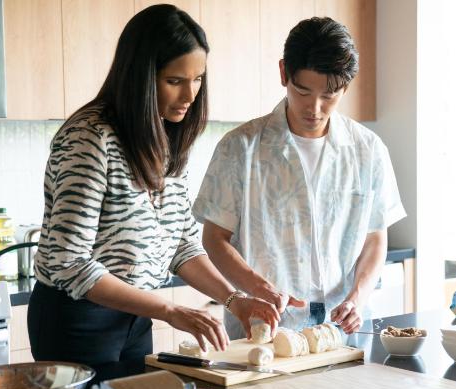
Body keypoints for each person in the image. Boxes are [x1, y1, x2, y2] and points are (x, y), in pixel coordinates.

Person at [28, 4, 280, 367]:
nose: (190, 96)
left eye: (197, 80)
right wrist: (169, 310)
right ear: (141, 77)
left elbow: (181, 245)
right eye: (174, 81)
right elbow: (70, 263)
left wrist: (234, 300)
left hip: (135, 316)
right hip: (76, 321)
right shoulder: (89, 138)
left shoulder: (164, 138)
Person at [193, 17, 406, 339]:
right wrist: (258, 287)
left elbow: (375, 236)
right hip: (265, 326)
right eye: (303, 91)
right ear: (284, 73)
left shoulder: (367, 149)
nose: (315, 108)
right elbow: (214, 238)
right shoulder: (240, 148)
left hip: (342, 328)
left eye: (330, 95)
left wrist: (357, 298)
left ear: (346, 86)